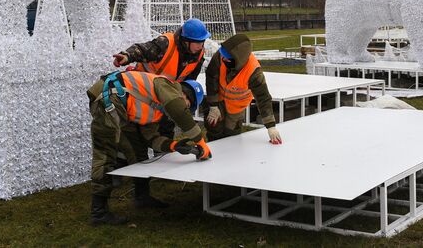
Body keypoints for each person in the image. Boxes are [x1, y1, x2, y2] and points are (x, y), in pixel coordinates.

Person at [86, 69, 211, 226]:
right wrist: (200, 141)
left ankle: (142, 197)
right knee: (105, 155)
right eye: (187, 106)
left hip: (120, 108)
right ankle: (98, 212)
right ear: (185, 96)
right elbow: (179, 110)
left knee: (138, 154)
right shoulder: (167, 86)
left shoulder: (158, 109)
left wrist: (175, 145)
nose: (185, 109)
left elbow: (151, 138)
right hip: (108, 99)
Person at [203, 33, 283, 144]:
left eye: (227, 59)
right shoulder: (221, 55)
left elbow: (263, 98)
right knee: (214, 128)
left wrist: (271, 126)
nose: (223, 60)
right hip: (219, 99)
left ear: (237, 59)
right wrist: (213, 105)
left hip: (237, 106)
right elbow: (211, 77)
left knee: (231, 135)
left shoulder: (254, 72)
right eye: (223, 57)